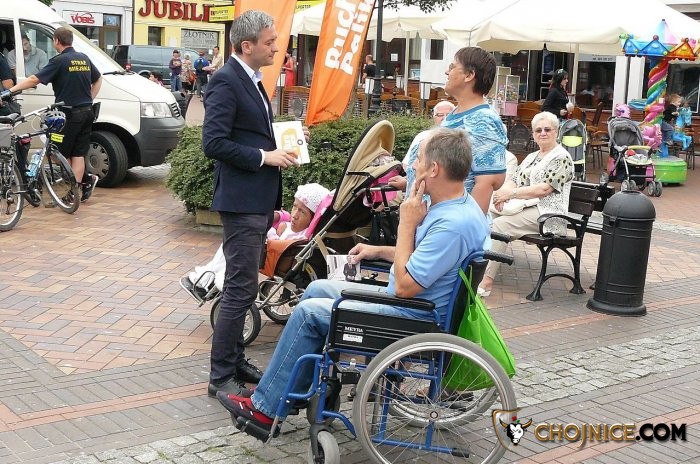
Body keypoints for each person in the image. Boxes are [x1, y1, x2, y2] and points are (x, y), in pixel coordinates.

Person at [216, 127, 489, 436]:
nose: (413, 165)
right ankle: (290, 392)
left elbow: (405, 286)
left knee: (308, 314)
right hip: (415, 306)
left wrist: (407, 223)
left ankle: (265, 410)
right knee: (317, 288)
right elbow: (424, 259)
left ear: (434, 169)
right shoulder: (459, 207)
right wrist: (380, 250)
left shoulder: (451, 224)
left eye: (418, 159)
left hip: (414, 318)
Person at [202, 10, 301, 398]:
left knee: (245, 287)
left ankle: (236, 360)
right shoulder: (226, 81)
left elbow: (249, 132)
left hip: (255, 200)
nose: (277, 48)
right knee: (239, 289)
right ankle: (220, 376)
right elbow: (214, 143)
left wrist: (285, 141)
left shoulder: (252, 79)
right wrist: (265, 156)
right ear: (247, 45)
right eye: (270, 42)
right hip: (241, 201)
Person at [478, 111, 574, 296]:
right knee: (485, 219)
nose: (543, 133)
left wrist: (511, 193)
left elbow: (544, 189)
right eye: (538, 130)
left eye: (547, 129)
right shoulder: (532, 157)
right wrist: (502, 195)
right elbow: (515, 179)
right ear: (533, 134)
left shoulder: (562, 157)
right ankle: (474, 268)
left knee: (500, 226)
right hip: (528, 207)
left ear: (556, 132)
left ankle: (486, 281)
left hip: (549, 214)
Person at [4, 27, 101, 203]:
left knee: (55, 153)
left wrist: (10, 91)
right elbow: (98, 78)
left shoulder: (59, 61)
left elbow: (34, 79)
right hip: (87, 112)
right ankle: (78, 188)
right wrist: (90, 99)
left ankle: (84, 181)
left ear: (56, 41)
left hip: (68, 115)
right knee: (78, 154)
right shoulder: (84, 58)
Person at [182, 183, 329, 297]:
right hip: (261, 250)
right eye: (294, 207)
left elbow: (277, 242)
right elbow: (285, 216)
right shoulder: (288, 223)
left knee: (234, 242)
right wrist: (278, 217)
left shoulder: (300, 238)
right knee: (230, 245)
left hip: (266, 255)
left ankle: (207, 280)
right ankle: (208, 277)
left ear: (313, 218)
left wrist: (270, 231)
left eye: (302, 212)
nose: (295, 215)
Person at [440, 47, 508, 214]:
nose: (446, 72)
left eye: (452, 67)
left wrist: (467, 225)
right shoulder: (455, 113)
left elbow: (487, 181)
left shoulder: (483, 120)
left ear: (469, 75)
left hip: (455, 221)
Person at [388, 100, 455, 193]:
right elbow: (408, 165)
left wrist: (409, 183)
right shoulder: (422, 136)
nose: (444, 118)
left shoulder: (460, 140)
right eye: (440, 115)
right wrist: (408, 180)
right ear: (434, 118)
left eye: (448, 115)